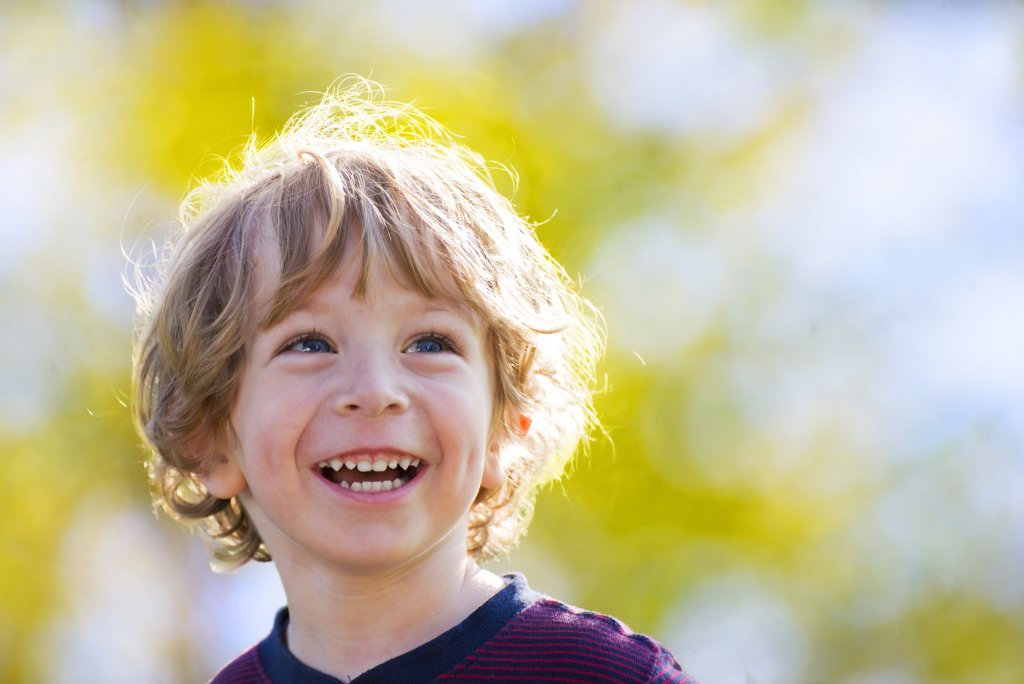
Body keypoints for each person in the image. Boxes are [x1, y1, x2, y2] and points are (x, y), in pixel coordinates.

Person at [131, 78, 696, 683]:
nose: (376, 391)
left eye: (430, 343)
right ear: (209, 437)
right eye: (309, 343)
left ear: (506, 428)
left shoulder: (604, 676)